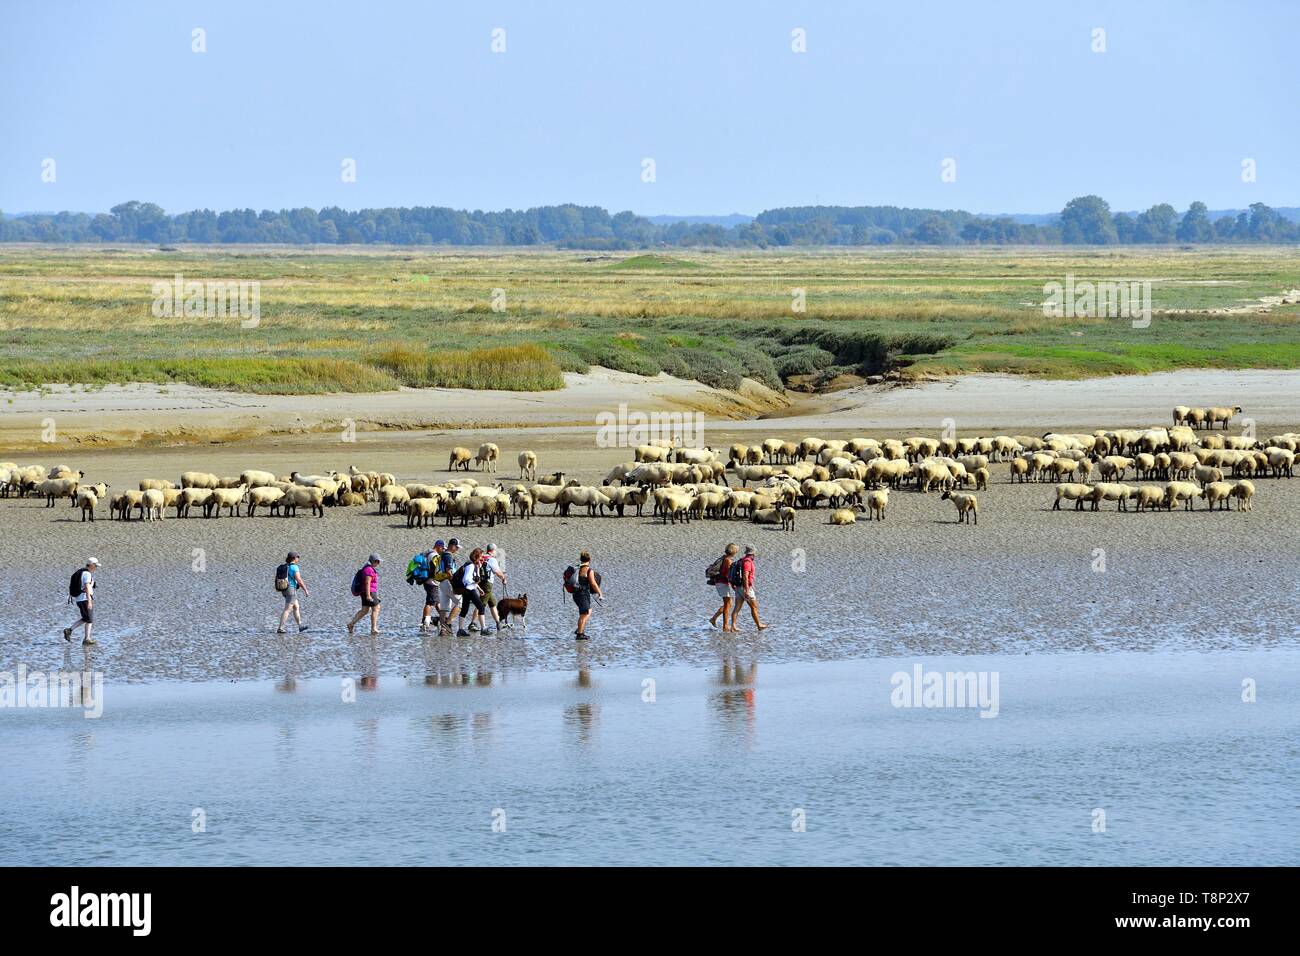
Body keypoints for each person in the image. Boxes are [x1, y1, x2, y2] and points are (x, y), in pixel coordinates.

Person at [727, 545, 767, 632]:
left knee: (737, 607)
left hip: (738, 587)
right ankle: (759, 625)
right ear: (752, 553)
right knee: (754, 606)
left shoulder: (741, 560)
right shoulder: (747, 562)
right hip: (744, 587)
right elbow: (745, 576)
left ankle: (733, 626)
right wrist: (746, 590)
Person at [63, 557, 99, 646]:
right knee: (89, 619)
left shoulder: (83, 572)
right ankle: (86, 639)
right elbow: (86, 587)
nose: (96, 568)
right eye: (95, 566)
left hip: (80, 599)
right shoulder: (87, 574)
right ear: (91, 565)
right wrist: (89, 601)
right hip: (84, 599)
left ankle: (70, 630)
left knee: (86, 618)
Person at [455, 548, 489, 637]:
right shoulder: (471, 566)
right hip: (469, 589)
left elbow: (471, 579)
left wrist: (479, 588)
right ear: (477, 556)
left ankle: (460, 630)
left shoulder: (472, 565)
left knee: (464, 609)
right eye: (481, 556)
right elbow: (466, 579)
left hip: (467, 589)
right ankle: (483, 629)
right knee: (481, 607)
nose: (482, 558)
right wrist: (474, 581)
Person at [347, 554, 382, 636]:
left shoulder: (367, 568)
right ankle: (373, 629)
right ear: (374, 561)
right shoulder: (369, 570)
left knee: (365, 610)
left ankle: (351, 624)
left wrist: (375, 596)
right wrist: (368, 595)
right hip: (368, 592)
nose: (379, 563)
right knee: (376, 608)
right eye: (378, 561)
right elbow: (367, 583)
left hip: (368, 592)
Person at [572, 550, 603, 641]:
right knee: (584, 614)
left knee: (588, 611)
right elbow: (593, 584)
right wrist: (600, 593)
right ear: (589, 559)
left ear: (581, 559)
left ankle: (579, 629)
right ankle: (580, 634)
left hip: (575, 594)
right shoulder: (589, 570)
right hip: (583, 594)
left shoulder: (577, 568)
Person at [708, 543, 739, 632]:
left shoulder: (724, 558)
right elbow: (727, 574)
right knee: (727, 604)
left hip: (721, 582)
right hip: (722, 583)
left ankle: (713, 619)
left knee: (729, 603)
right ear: (733, 551)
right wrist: (733, 584)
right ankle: (725, 626)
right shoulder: (728, 560)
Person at [277, 551, 310, 634]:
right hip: (291, 589)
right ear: (294, 558)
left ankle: (300, 626)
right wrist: (305, 590)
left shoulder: (286, 566)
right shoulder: (294, 567)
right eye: (297, 557)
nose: (298, 559)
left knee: (296, 607)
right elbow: (299, 580)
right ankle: (280, 628)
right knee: (287, 609)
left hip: (285, 589)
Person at [432, 538, 460, 635]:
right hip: (448, 582)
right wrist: (454, 581)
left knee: (444, 608)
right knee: (460, 603)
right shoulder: (448, 555)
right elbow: (448, 571)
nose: (457, 549)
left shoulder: (442, 554)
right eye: (456, 547)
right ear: (452, 546)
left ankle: (443, 631)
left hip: (442, 583)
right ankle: (447, 625)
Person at [413, 544, 440, 633]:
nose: (443, 550)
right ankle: (426, 623)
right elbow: (434, 569)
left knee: (436, 601)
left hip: (425, 580)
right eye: (442, 548)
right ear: (438, 546)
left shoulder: (426, 554)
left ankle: (443, 620)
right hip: (432, 581)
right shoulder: (434, 555)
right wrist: (438, 577)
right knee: (430, 602)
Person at [482, 543, 508, 633]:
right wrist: (503, 578)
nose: (497, 552)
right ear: (493, 550)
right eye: (496, 550)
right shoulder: (492, 559)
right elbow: (497, 572)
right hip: (487, 584)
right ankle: (475, 624)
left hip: (481, 583)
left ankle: (498, 623)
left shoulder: (483, 557)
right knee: (481, 605)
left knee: (493, 603)